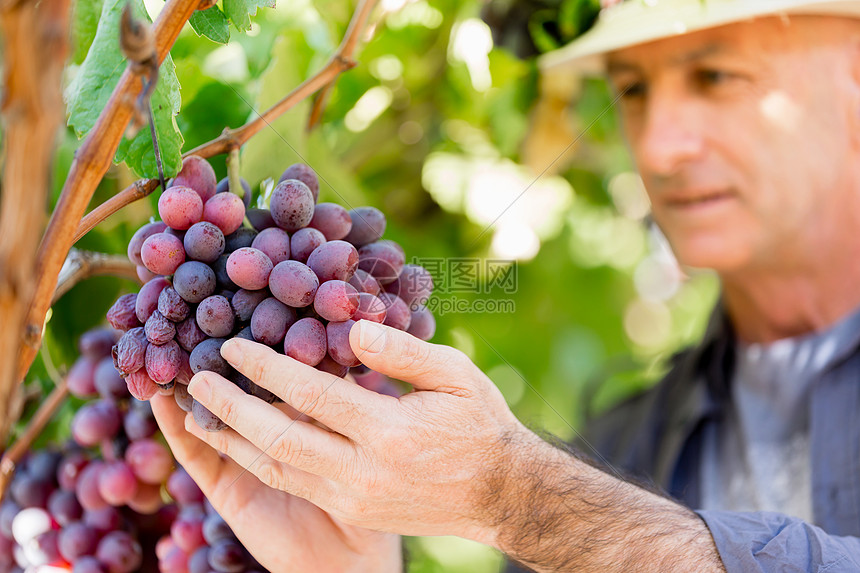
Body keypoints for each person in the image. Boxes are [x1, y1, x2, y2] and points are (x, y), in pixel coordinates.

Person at [151, 0, 860, 571]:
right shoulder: (623, 447)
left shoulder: (565, 498)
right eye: (632, 89)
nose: (659, 145)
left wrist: (512, 496)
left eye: (717, 77)